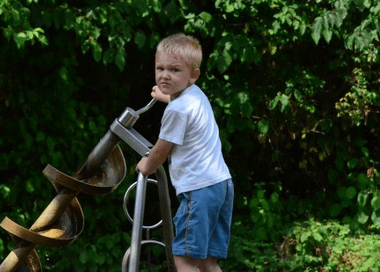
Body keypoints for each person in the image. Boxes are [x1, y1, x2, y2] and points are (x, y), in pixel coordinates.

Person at [136, 33, 234, 272]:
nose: (165, 75)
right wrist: (165, 96)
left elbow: (162, 149)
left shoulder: (177, 110)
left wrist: (146, 166)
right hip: (221, 184)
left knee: (184, 259)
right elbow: (182, 105)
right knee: (206, 260)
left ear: (193, 75)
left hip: (198, 189)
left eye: (174, 70)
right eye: (160, 68)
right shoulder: (194, 96)